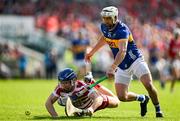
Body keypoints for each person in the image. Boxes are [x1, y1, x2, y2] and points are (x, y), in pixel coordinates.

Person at [85, 6, 163, 117]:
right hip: (121, 65)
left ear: (115, 17)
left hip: (135, 60)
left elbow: (123, 51)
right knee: (122, 97)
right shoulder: (104, 27)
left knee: (148, 85)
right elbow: (104, 38)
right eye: (104, 18)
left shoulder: (122, 30)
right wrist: (92, 52)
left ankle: (158, 109)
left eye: (108, 18)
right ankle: (142, 98)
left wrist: (112, 67)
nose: (105, 21)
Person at [45, 68, 119, 118]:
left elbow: (98, 98)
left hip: (93, 104)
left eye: (66, 83)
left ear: (73, 80)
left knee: (116, 102)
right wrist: (55, 117)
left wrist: (91, 109)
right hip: (80, 105)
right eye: (61, 82)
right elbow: (48, 102)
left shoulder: (82, 87)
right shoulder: (60, 88)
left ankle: (94, 83)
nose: (63, 85)